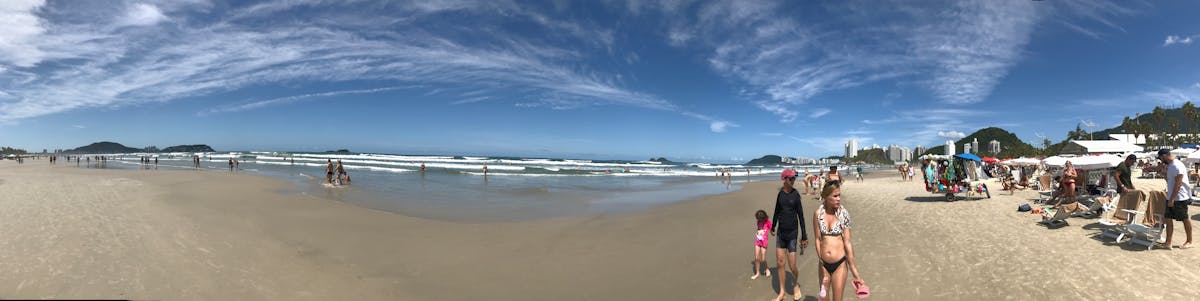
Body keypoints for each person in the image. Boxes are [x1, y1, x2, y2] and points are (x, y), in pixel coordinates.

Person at [812, 181, 865, 301]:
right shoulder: (818, 214)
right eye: (835, 196)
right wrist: (820, 259)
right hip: (823, 265)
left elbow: (847, 242)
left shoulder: (843, 214)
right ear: (826, 196)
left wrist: (854, 272)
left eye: (839, 195)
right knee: (823, 298)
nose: (838, 199)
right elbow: (817, 239)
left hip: (839, 265)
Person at [771, 169, 808, 301]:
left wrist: (804, 235)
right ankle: (782, 292)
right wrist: (773, 226)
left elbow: (801, 216)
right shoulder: (780, 195)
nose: (793, 181)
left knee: (792, 266)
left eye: (794, 178)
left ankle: (795, 284)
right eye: (791, 179)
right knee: (780, 263)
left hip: (792, 234)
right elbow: (776, 211)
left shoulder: (795, 195)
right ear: (784, 179)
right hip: (781, 233)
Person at [1159, 149, 1194, 250]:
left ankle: (1189, 241)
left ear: (1165, 156)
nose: (1161, 160)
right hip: (1171, 196)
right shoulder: (1170, 165)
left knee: (1184, 219)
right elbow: (1170, 181)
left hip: (1179, 197)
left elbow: (1178, 184)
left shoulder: (1176, 165)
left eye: (1161, 158)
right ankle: (1168, 242)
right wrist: (1163, 173)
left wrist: (1172, 199)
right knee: (1168, 219)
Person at [752, 209, 773, 280]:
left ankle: (767, 269)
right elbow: (759, 229)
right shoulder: (758, 222)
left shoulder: (768, 222)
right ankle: (757, 273)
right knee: (757, 258)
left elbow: (771, 230)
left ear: (764, 217)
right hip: (758, 241)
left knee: (763, 259)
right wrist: (758, 233)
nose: (759, 220)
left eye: (760, 219)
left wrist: (772, 232)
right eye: (758, 219)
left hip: (764, 242)